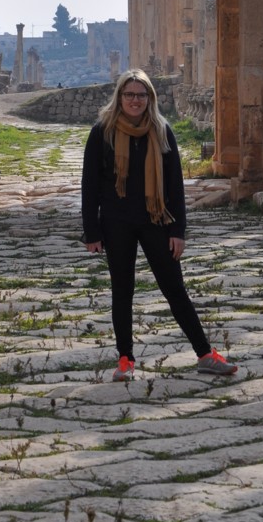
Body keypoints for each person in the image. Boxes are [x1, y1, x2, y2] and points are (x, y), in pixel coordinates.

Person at [82, 68, 237, 380]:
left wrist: (178, 231)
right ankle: (125, 358)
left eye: (141, 95)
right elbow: (90, 184)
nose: (135, 100)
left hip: (156, 220)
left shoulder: (162, 131)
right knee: (122, 290)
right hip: (116, 222)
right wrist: (92, 231)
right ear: (120, 97)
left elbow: (174, 185)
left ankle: (205, 353)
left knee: (174, 289)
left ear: (149, 98)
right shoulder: (103, 131)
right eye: (130, 95)